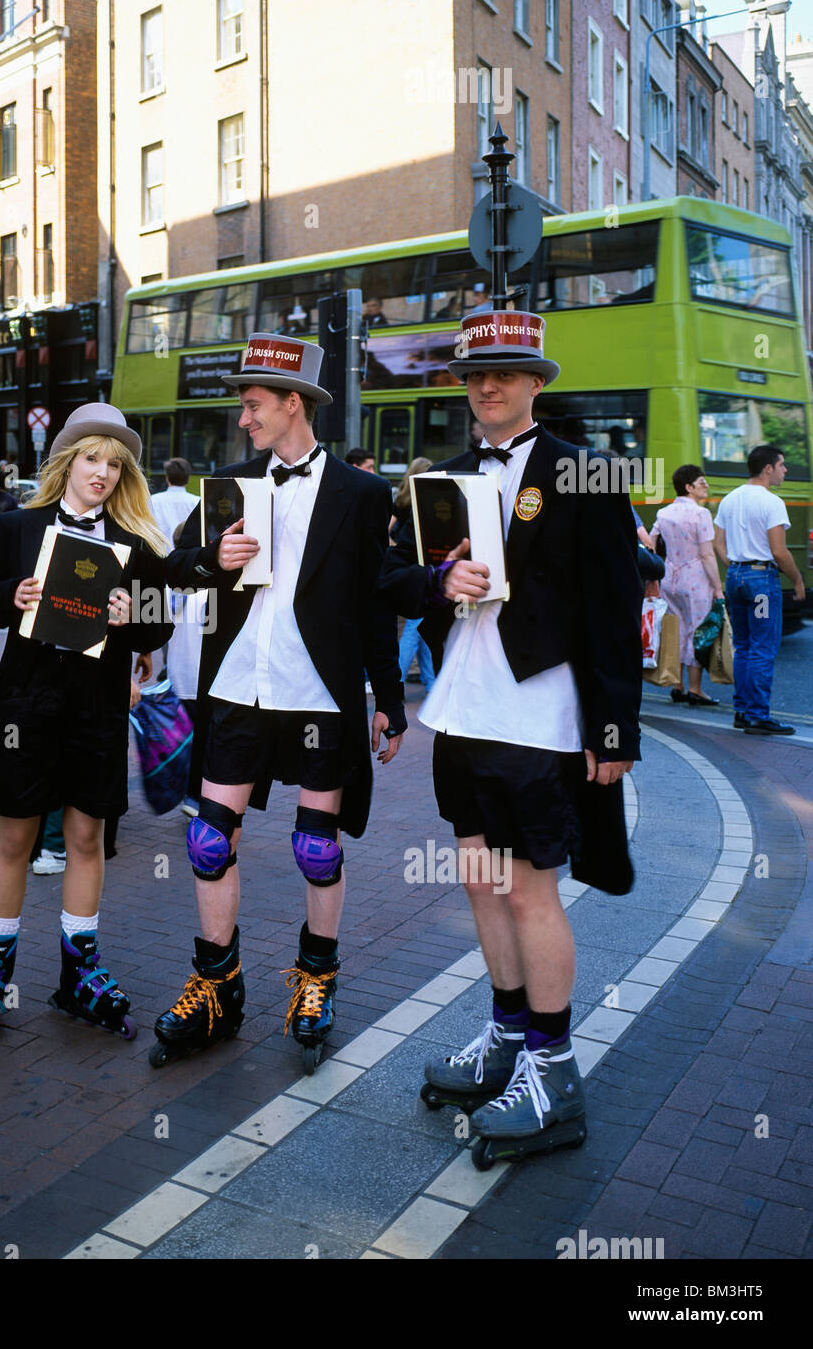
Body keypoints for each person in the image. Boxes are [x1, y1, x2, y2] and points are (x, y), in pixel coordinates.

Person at [381, 307, 641, 1167]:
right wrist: (433, 577)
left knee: (531, 890)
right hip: (461, 707)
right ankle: (506, 1036)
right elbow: (391, 583)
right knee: (480, 880)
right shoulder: (441, 481)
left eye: (504, 372)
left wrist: (614, 729)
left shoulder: (585, 474)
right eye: (473, 374)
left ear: (535, 383)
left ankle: (554, 1071)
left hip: (541, 713)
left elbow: (613, 609)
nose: (486, 385)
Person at [153, 334, 407, 1073]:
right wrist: (212, 559)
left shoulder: (362, 495)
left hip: (318, 692)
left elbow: (375, 604)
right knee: (208, 839)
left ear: (293, 403)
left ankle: (316, 981)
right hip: (238, 685)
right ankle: (217, 987)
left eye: (254, 405)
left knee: (315, 845)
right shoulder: (230, 485)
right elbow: (176, 567)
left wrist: (387, 696)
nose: (243, 420)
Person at [0, 402, 172, 1051]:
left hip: (98, 710)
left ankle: (79, 970)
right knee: (16, 838)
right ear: (66, 462)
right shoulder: (19, 527)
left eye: (114, 463)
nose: (102, 473)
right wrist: (15, 596)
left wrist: (127, 611)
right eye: (91, 459)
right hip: (26, 709)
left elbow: (157, 628)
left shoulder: (136, 543)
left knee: (85, 839)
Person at [712, 445, 805, 734]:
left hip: (736, 578)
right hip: (762, 583)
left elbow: (717, 542)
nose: (785, 470)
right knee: (762, 648)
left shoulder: (730, 498)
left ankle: (742, 711)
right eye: (782, 465)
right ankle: (758, 715)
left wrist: (737, 567)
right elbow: (779, 552)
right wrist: (798, 580)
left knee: (743, 646)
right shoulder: (771, 502)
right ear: (768, 468)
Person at [648, 465, 724, 706]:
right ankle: (695, 689)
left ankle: (677, 685)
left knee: (677, 629)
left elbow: (650, 543)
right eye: (702, 482)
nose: (706, 486)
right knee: (698, 630)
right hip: (696, 577)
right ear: (689, 487)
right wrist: (718, 588)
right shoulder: (701, 514)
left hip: (670, 576)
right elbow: (707, 555)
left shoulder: (664, 513)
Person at [389, 458, 435, 691]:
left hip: (411, 567)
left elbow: (387, 529)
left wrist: (396, 548)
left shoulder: (403, 500)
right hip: (420, 567)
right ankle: (399, 679)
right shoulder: (421, 501)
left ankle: (430, 683)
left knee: (419, 627)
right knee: (414, 628)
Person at [150, 456, 199, 542]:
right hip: (185, 553)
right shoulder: (197, 501)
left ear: (167, 478)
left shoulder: (153, 501)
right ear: (188, 479)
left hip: (160, 552)